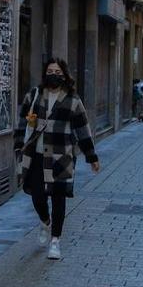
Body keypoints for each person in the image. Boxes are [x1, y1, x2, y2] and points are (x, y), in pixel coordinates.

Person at [14, 58, 101, 261]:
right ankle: (45, 221)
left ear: (64, 75)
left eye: (58, 71)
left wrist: (92, 157)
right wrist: (18, 146)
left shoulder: (73, 100)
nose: (54, 74)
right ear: (45, 74)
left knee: (59, 198)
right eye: (50, 71)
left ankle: (55, 241)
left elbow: (83, 130)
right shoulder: (34, 95)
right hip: (35, 156)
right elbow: (21, 123)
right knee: (37, 196)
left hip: (61, 157)